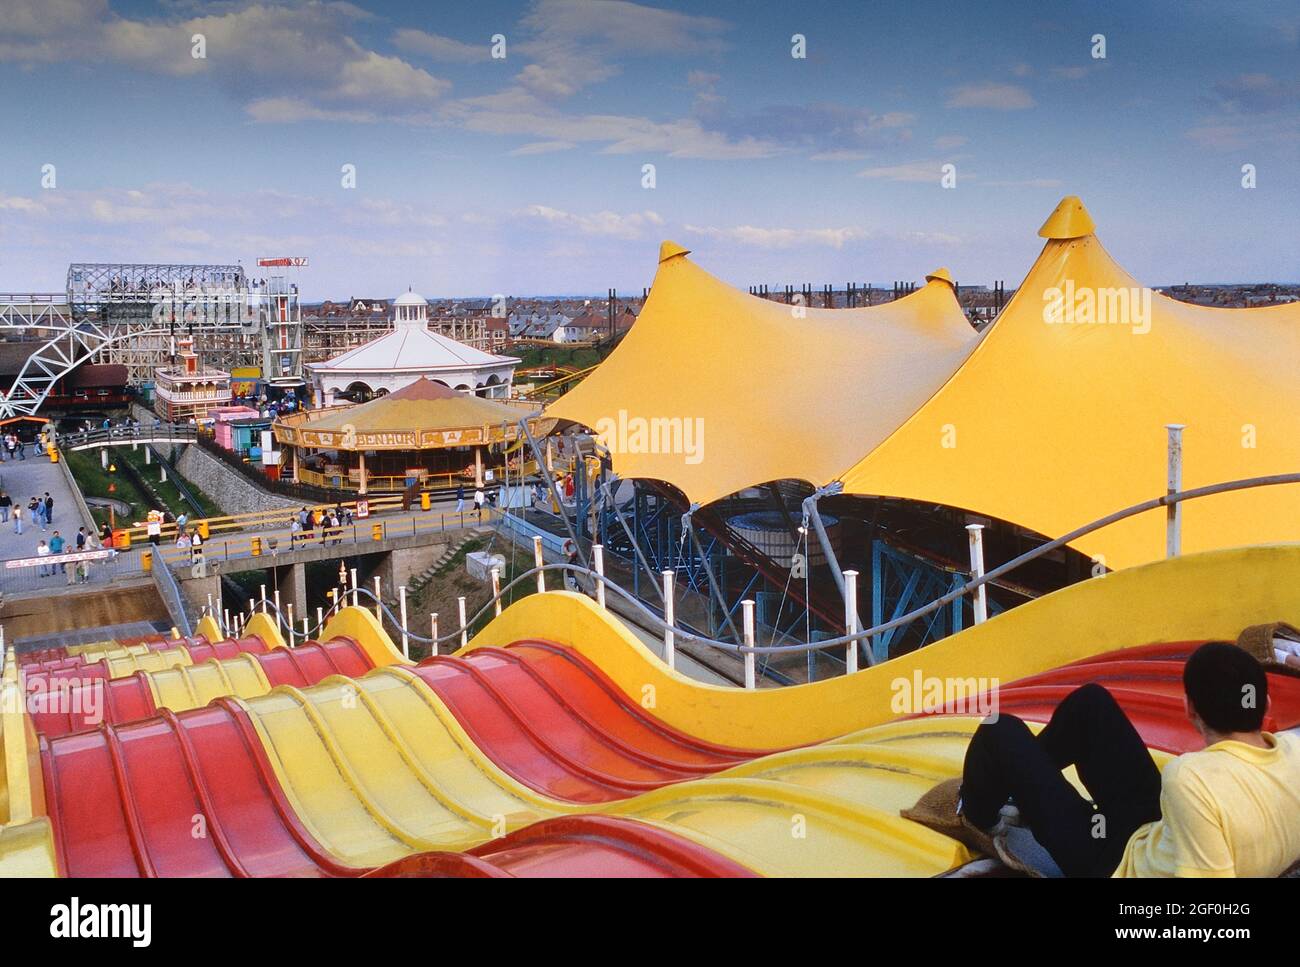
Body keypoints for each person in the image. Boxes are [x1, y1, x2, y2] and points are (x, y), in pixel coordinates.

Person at [958, 642, 1300, 877]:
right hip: (1158, 834)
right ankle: (1025, 785)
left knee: (998, 728)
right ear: (1265, 705)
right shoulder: (1293, 751)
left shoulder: (1191, 777)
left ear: (1189, 710)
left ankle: (978, 814)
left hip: (1109, 864)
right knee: (1091, 704)